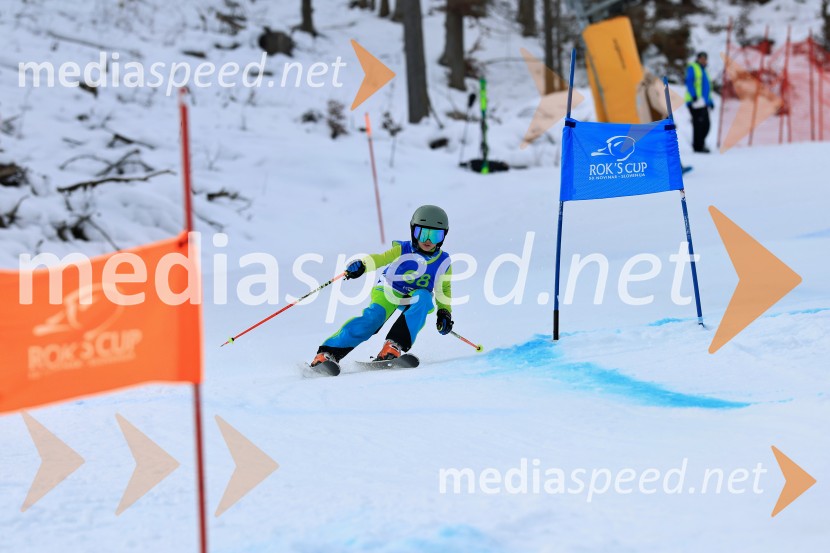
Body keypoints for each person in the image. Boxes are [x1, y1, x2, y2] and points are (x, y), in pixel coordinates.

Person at [310, 205, 454, 368]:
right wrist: (362, 265)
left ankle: (393, 346)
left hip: (414, 296)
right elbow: (380, 258)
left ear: (443, 236)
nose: (428, 240)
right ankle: (328, 353)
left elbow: (443, 290)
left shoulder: (443, 262)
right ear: (413, 231)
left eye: (435, 235)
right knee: (374, 319)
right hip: (389, 289)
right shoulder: (403, 249)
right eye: (422, 233)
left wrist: (444, 312)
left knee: (424, 298)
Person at [685, 51, 715, 153]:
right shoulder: (693, 67)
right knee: (699, 124)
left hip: (703, 103)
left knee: (706, 125)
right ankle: (698, 146)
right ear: (697, 59)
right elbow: (689, 82)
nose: (703, 60)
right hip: (695, 102)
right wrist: (694, 96)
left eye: (705, 58)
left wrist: (710, 102)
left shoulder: (704, 71)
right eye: (701, 58)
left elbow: (707, 89)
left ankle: (700, 143)